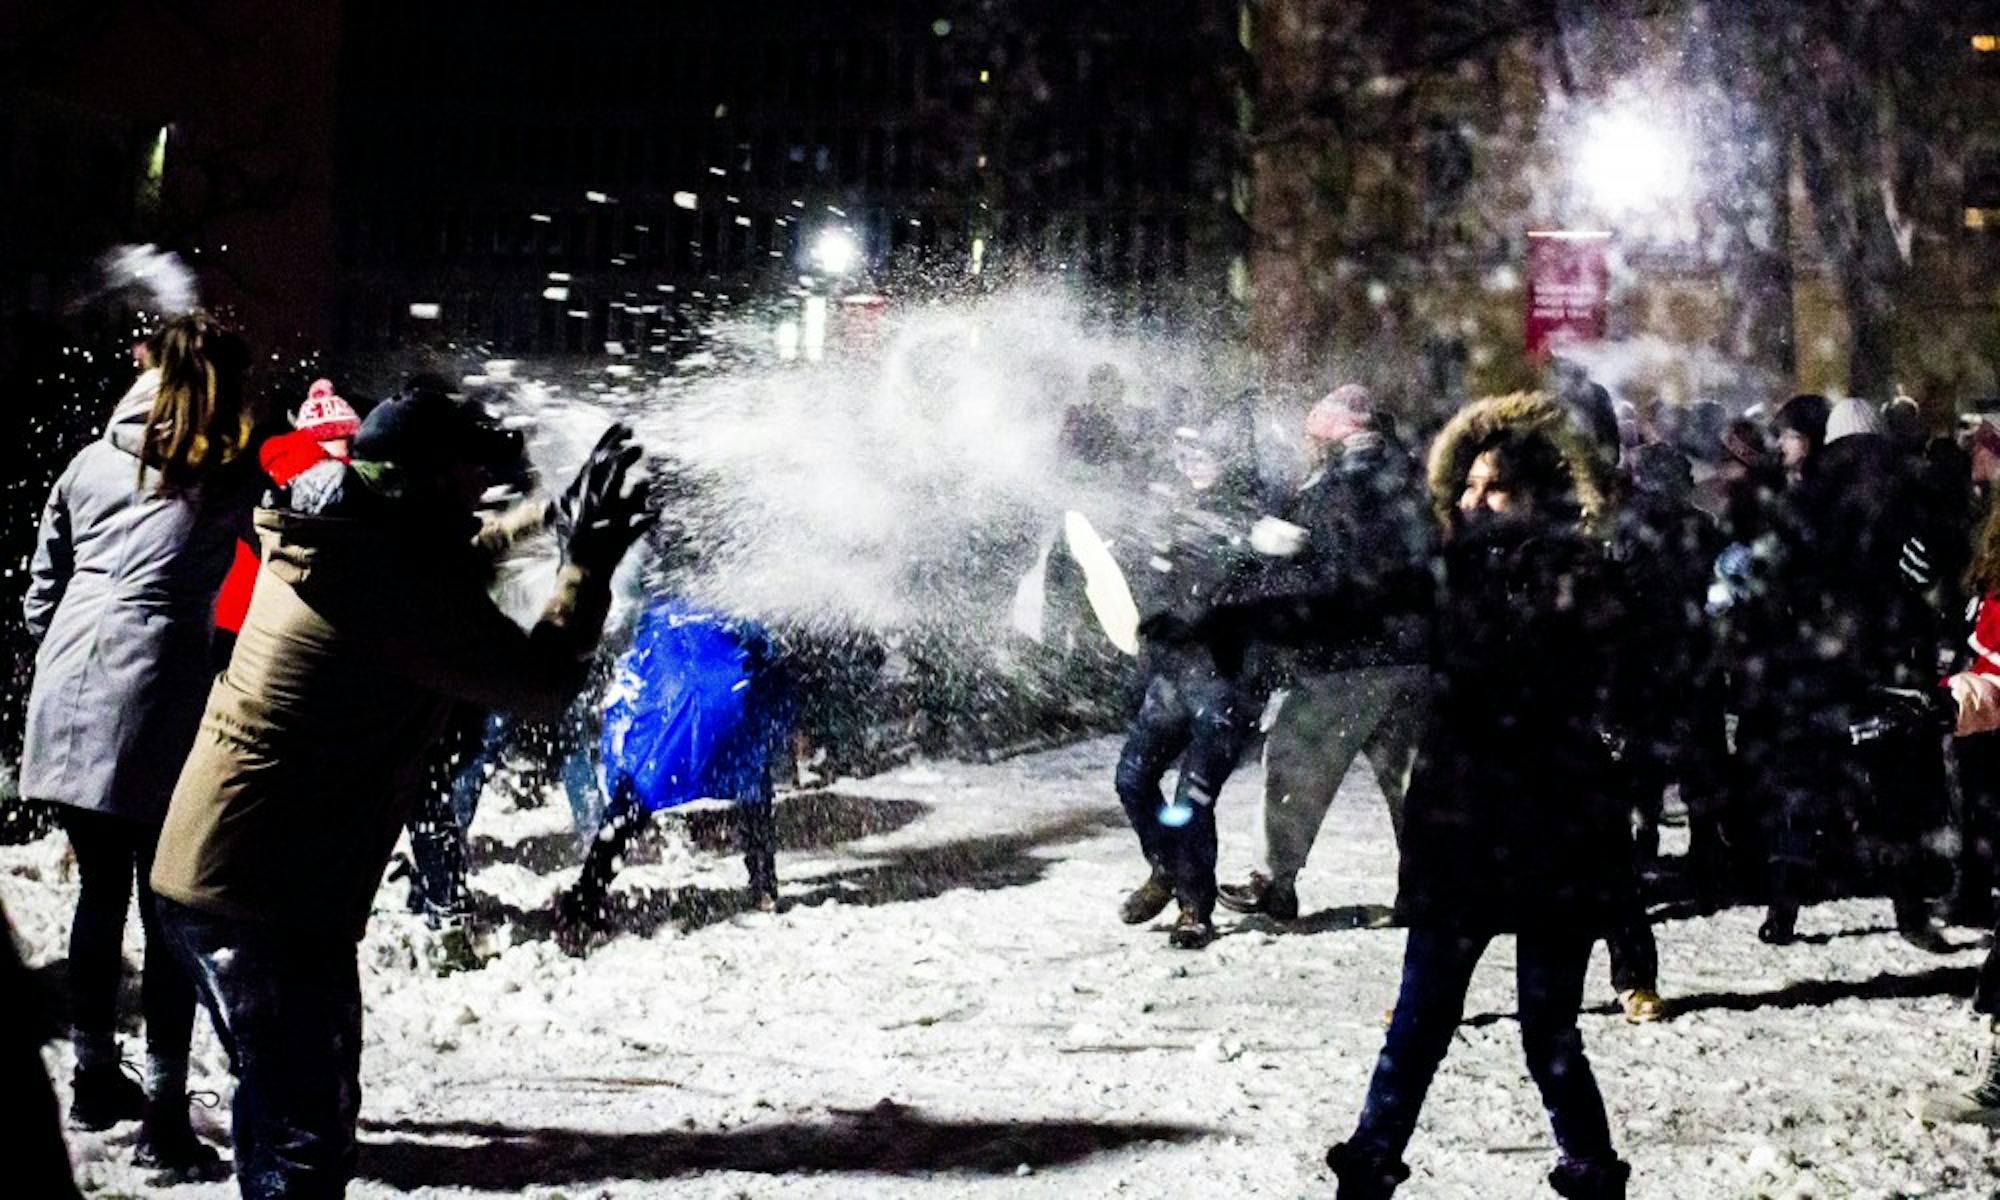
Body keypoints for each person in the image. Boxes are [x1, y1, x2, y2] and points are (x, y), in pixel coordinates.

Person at [148, 394, 654, 1199]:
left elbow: (461, 556)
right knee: (308, 1141)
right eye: (462, 484)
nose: (474, 500)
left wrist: (551, 517)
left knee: (275, 1107)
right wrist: (584, 563)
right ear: (417, 487)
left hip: (234, 877)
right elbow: (542, 684)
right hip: (263, 893)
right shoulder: (391, 587)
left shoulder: (348, 536)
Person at [1326, 393, 1633, 1200]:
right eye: (1466, 487)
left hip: (1547, 833)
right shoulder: (1453, 573)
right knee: (1420, 1019)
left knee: (1548, 1031)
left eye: (1491, 487)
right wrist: (1235, 623)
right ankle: (1370, 1162)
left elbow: (1587, 665)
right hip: (1463, 831)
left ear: (1535, 496)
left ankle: (1592, 1169)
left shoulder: (1577, 577)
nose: (1471, 501)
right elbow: (1354, 605)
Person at [20, 312, 258, 1179]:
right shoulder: (219, 480)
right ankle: (164, 1112)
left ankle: (90, 1078)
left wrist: (61, 661)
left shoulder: (88, 461)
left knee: (98, 894)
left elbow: (41, 589)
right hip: (155, 700)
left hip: (65, 692)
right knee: (169, 912)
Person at [1216, 384, 1432, 922]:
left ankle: (1276, 881)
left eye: (1314, 438)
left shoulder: (1333, 490)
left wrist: (1275, 564)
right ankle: (1428, 888)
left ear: (1334, 439)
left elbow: (1328, 580)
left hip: (1346, 659)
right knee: (1412, 783)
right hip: (1417, 653)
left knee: (1294, 764)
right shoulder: (1412, 478)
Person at [1750, 397, 1951, 948]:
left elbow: (1780, 580)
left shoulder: (1806, 495)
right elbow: (1931, 569)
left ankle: (1782, 909)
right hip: (1892, 654)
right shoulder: (1910, 488)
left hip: (1822, 658)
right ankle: (1911, 913)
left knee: (1807, 782)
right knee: (1899, 786)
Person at [1113, 420, 1265, 950]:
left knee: (1190, 796)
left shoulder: (1247, 514)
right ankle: (1166, 868)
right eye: (1189, 455)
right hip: (1172, 677)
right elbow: (1150, 591)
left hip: (1225, 680)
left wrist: (1191, 621)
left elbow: (1240, 599)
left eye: (1208, 455)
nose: (1196, 464)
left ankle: (1194, 907)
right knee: (1132, 778)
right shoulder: (1170, 509)